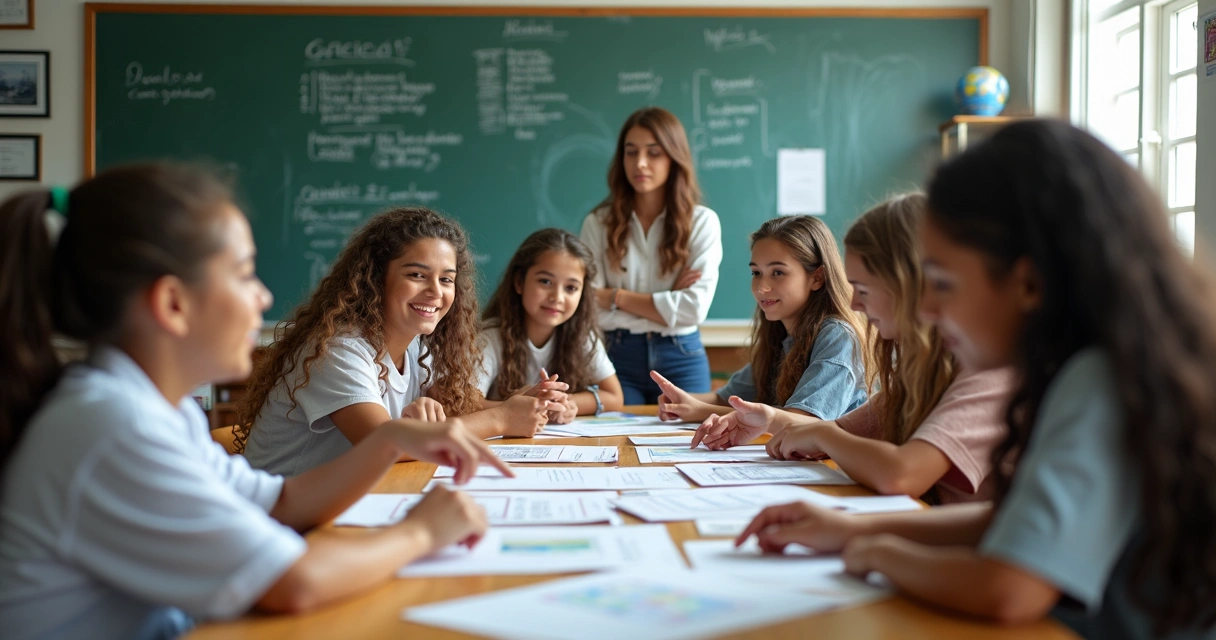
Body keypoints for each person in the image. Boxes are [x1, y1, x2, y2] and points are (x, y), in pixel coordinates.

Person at [736, 120, 1216, 637]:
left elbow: (1009, 588)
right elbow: (1011, 521)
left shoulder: (1095, 380)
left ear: (1028, 283)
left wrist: (874, 550)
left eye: (943, 283)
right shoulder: (1104, 362)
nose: (927, 307)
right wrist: (852, 526)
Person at [0, 165, 510, 640]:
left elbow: (282, 502)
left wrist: (391, 440)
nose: (264, 297)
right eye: (244, 274)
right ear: (173, 303)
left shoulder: (158, 409)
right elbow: (294, 582)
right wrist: (421, 532)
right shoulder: (113, 425)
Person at [695, 195, 1011, 504]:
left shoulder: (984, 372)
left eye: (863, 289)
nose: (854, 303)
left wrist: (823, 437)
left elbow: (901, 474)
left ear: (910, 285)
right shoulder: (920, 371)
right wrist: (767, 419)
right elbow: (839, 430)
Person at [238, 208, 558, 476]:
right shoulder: (337, 350)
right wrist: (501, 418)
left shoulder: (416, 346)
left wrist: (517, 405)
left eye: (446, 279)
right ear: (376, 278)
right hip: (278, 518)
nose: (436, 291)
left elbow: (455, 406)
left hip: (340, 505)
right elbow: (385, 444)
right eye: (417, 275)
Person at [654, 215, 868, 426]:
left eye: (778, 272)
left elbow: (804, 421)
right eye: (756, 272)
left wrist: (700, 410)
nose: (761, 287)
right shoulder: (780, 336)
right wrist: (683, 401)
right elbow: (725, 399)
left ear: (817, 278)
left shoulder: (838, 336)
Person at [580, 106, 722, 404]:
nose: (640, 163)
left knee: (690, 433)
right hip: (615, 355)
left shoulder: (702, 222)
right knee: (613, 432)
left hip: (681, 354)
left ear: (674, 157)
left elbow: (693, 309)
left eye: (654, 153)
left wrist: (614, 296)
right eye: (631, 152)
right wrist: (668, 298)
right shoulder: (598, 223)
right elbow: (588, 305)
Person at [477, 228, 624, 422]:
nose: (557, 297)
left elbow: (615, 397)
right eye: (545, 281)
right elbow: (463, 403)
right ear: (519, 282)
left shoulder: (581, 335)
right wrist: (518, 406)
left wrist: (569, 404)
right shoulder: (489, 337)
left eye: (571, 288)